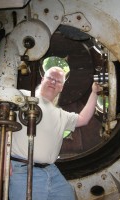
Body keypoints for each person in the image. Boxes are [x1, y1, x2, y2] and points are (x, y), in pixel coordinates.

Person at [9, 66, 100, 200]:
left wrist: (94, 92)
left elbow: (83, 119)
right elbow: (3, 123)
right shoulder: (22, 96)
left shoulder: (61, 115)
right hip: (22, 170)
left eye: (58, 81)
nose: (53, 82)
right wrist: (4, 160)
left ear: (61, 87)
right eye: (50, 78)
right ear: (42, 79)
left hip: (51, 171)